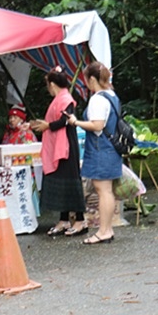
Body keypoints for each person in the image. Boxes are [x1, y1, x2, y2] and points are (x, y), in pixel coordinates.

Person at [65, 61, 123, 245]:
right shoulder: (112, 95)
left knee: (103, 191)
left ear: (92, 79)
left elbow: (97, 125)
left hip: (100, 149)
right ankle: (107, 229)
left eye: (86, 80)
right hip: (111, 148)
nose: (86, 83)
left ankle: (104, 231)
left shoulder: (98, 99)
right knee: (107, 191)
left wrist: (75, 122)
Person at [30, 67, 86, 237]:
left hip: (66, 146)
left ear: (52, 84)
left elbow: (66, 120)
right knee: (61, 182)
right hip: (59, 145)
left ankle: (80, 220)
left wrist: (48, 126)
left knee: (70, 182)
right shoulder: (59, 99)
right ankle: (63, 219)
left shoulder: (66, 99)